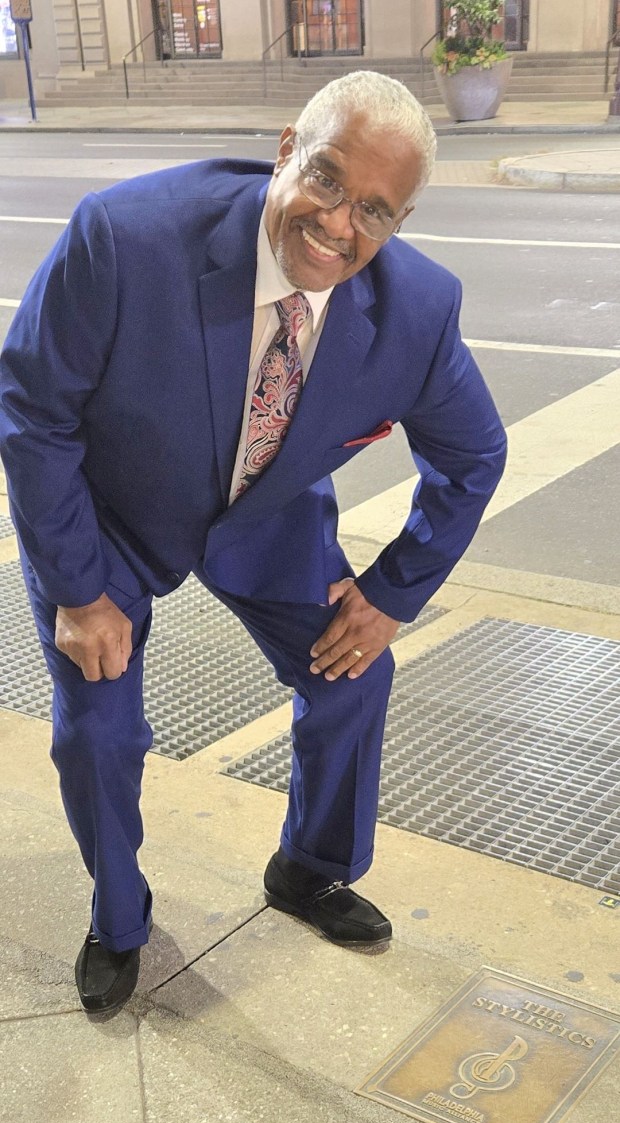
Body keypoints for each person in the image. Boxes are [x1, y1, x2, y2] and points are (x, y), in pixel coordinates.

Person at [0, 71, 507, 1015]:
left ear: (400, 222)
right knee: (97, 731)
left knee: (354, 670)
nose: (338, 224)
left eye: (374, 211)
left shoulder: (417, 313)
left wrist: (394, 593)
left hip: (265, 514)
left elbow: (475, 455)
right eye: (325, 179)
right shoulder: (125, 237)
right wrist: (77, 591)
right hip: (109, 509)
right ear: (285, 149)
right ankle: (118, 919)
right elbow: (32, 412)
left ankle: (309, 868)